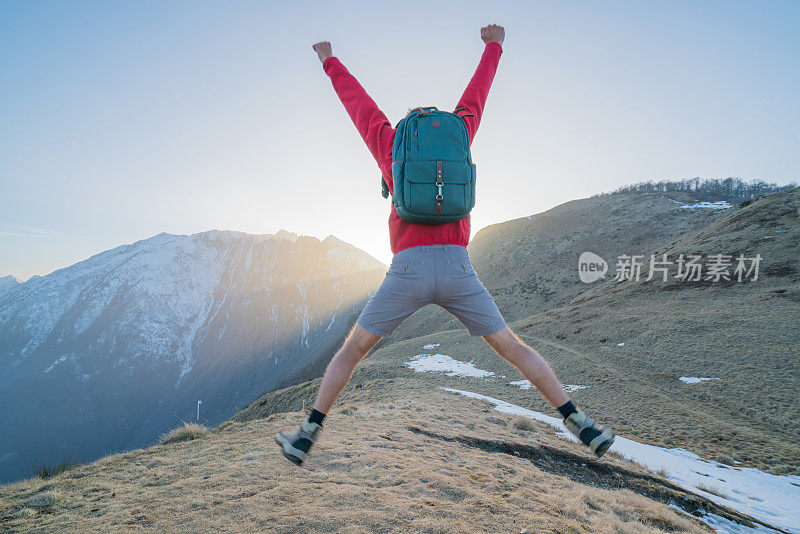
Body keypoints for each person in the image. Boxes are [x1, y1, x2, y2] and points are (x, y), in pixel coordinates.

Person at [276, 24, 615, 465]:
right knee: (513, 347)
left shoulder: (391, 143)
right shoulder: (460, 133)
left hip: (407, 270)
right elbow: (478, 95)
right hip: (458, 268)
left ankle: (307, 434)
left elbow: (357, 104)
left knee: (352, 351)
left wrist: (329, 61)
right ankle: (580, 423)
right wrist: (493, 46)